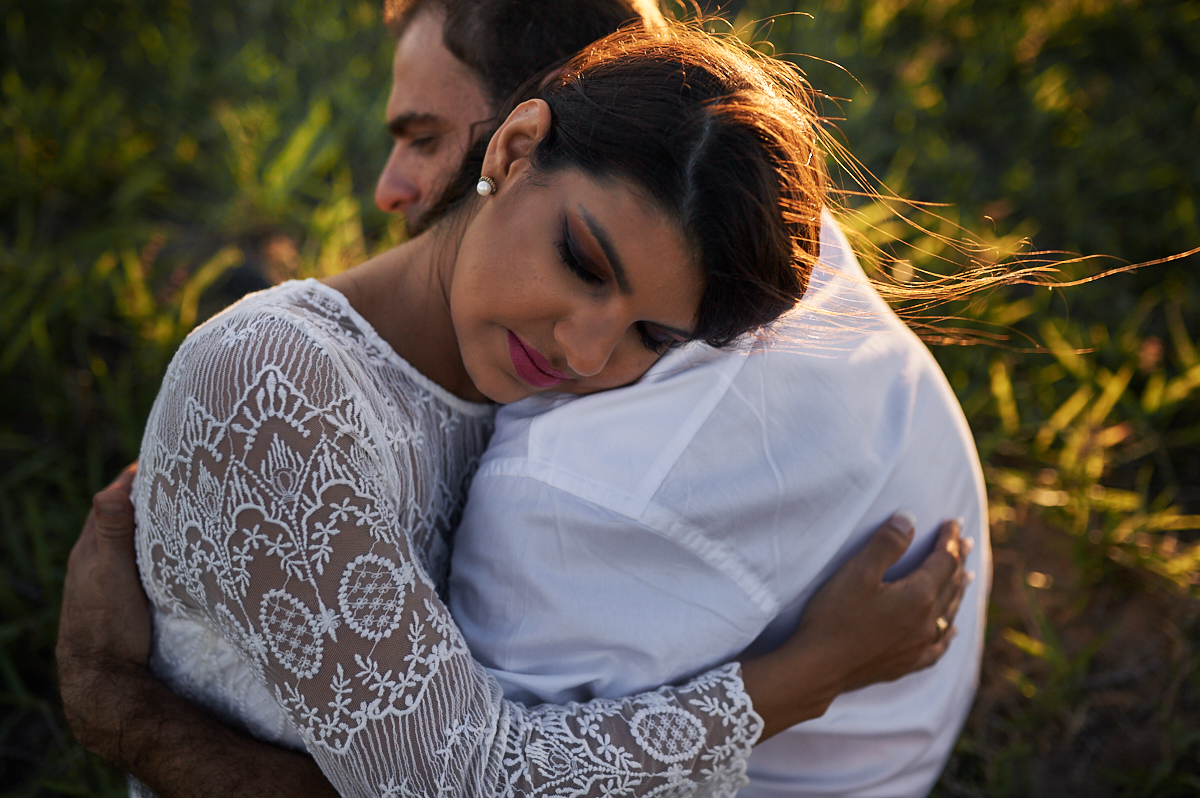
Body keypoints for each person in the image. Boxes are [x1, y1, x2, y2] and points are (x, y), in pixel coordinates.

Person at [56, 4, 984, 797]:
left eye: (648, 337)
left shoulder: (520, 384)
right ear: (514, 144)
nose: (582, 351)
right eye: (581, 262)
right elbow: (457, 782)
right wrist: (805, 677)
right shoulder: (275, 388)